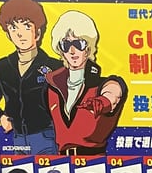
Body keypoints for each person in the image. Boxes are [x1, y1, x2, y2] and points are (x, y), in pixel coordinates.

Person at [43, 10, 127, 154]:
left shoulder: (101, 84)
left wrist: (102, 102)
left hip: (94, 161)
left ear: (88, 48)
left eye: (78, 43)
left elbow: (113, 92)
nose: (72, 50)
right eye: (66, 44)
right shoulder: (52, 87)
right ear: (60, 50)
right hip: (62, 161)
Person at [0, 0, 62, 154]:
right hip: (17, 140)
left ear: (38, 32)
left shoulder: (54, 67)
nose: (20, 34)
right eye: (13, 27)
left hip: (46, 137)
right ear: (8, 34)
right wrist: (0, 116)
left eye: (27, 26)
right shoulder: (3, 67)